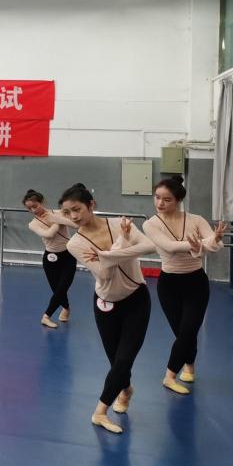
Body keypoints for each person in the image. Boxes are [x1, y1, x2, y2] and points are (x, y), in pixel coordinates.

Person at [62, 183, 155, 434]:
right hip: (105, 304)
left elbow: (149, 247)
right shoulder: (75, 244)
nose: (73, 216)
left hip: (136, 299)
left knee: (124, 358)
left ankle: (100, 412)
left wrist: (107, 254)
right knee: (116, 361)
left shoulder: (119, 224)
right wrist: (123, 245)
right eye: (67, 212)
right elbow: (103, 274)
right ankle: (126, 389)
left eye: (77, 209)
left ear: (91, 205)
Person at [142, 175, 225, 394]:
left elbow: (217, 246)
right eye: (157, 197)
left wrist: (212, 241)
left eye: (166, 199)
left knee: (189, 329)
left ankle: (169, 376)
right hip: (169, 285)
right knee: (183, 332)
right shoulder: (150, 224)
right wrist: (202, 244)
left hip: (196, 282)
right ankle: (189, 365)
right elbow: (169, 247)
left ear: (178, 200)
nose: (160, 203)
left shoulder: (196, 220)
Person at [22, 189, 78, 328]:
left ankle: (46, 316)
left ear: (42, 202)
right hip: (50, 259)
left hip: (68, 256)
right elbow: (48, 234)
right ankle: (66, 308)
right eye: (29, 209)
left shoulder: (58, 213)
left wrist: (57, 218)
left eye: (35, 206)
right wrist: (58, 222)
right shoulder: (33, 224)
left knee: (63, 287)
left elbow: (76, 224)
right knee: (57, 289)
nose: (33, 210)